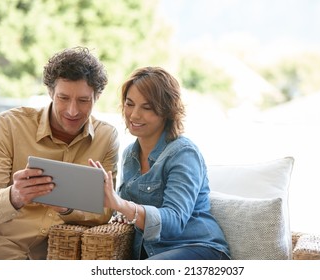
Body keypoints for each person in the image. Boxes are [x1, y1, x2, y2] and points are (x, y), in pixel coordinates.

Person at [0, 46, 119, 260]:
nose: (72, 111)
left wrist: (67, 209)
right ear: (50, 92)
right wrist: (15, 195)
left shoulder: (106, 138)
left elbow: (104, 211)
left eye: (84, 100)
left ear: (97, 96)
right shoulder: (8, 125)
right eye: (63, 98)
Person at [89, 66, 231, 260]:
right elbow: (124, 212)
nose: (134, 115)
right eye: (129, 104)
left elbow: (174, 220)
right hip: (151, 255)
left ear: (167, 111)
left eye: (146, 108)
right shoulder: (130, 153)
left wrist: (122, 205)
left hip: (199, 249)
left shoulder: (183, 153)